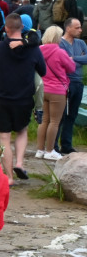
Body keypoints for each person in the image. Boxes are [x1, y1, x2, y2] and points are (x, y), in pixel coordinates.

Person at [0, 13, 46, 183]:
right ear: (22, 28)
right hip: (24, 99)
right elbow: (43, 70)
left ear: (6, 28)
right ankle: (19, 163)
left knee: (4, 138)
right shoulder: (32, 49)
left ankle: (9, 177)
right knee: (22, 131)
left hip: (1, 99)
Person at [34, 25, 77, 161]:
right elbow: (71, 68)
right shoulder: (60, 52)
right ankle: (50, 150)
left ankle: (39, 150)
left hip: (42, 89)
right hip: (57, 91)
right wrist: (70, 60)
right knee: (54, 122)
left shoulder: (38, 50)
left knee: (44, 120)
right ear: (58, 37)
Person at [56, 17, 86, 154]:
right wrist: (77, 59)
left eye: (80, 27)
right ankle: (53, 145)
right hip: (65, 82)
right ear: (68, 28)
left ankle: (66, 144)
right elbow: (62, 61)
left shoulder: (81, 43)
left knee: (72, 115)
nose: (80, 30)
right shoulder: (60, 43)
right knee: (60, 115)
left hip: (78, 82)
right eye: (77, 27)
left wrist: (74, 58)